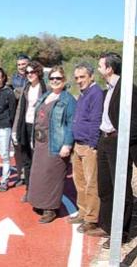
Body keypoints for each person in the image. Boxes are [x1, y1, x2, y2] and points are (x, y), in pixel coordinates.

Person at [86, 52, 137, 249]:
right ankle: (107, 226)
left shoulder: (127, 90)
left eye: (100, 65)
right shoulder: (108, 89)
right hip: (105, 141)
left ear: (109, 68)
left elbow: (134, 122)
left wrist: (123, 139)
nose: (98, 69)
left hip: (119, 142)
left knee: (121, 188)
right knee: (105, 187)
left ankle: (120, 233)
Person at [28, 66, 76, 223]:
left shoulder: (68, 100)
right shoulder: (46, 95)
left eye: (58, 78)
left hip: (55, 143)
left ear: (64, 80)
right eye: (52, 78)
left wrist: (67, 144)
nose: (55, 81)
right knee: (39, 174)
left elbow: (71, 124)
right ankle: (40, 203)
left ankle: (50, 209)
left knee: (52, 176)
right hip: (40, 142)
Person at [68, 62, 103, 233]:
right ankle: (83, 211)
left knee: (91, 184)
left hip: (89, 145)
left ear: (91, 76)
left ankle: (91, 218)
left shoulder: (96, 94)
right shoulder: (83, 94)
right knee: (79, 182)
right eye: (76, 78)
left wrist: (93, 144)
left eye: (82, 77)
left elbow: (96, 120)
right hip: (78, 144)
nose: (79, 80)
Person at [12, 61, 47, 201]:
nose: (29, 75)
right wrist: (15, 129)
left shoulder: (46, 88)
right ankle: (28, 189)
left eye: (32, 72)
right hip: (25, 126)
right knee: (26, 159)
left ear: (38, 72)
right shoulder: (26, 88)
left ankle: (40, 190)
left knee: (38, 160)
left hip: (39, 127)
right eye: (27, 73)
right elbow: (20, 109)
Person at [10, 54, 31, 187]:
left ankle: (31, 174)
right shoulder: (13, 79)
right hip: (17, 116)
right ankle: (21, 175)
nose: (21, 67)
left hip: (30, 116)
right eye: (19, 65)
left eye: (24, 64)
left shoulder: (35, 77)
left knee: (30, 146)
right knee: (17, 146)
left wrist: (18, 92)